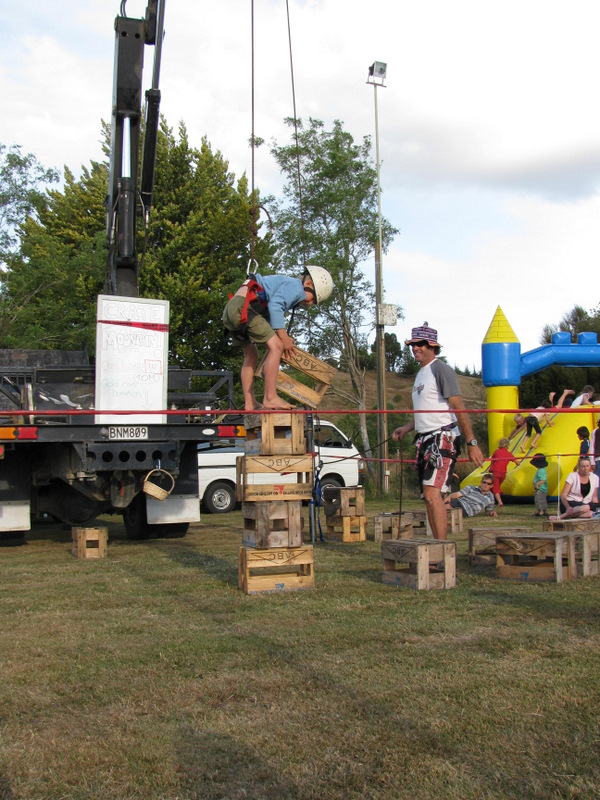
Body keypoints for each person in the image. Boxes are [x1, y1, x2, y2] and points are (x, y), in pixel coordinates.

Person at [391, 322, 484, 540]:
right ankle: (436, 545)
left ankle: (442, 549)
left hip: (443, 438)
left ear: (433, 346)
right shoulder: (420, 374)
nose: (416, 348)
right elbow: (425, 411)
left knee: (433, 494)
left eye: (421, 344)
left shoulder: (441, 370)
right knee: (427, 497)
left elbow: (458, 407)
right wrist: (406, 428)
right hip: (425, 439)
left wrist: (471, 443)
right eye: (413, 344)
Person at [222, 266, 333, 411]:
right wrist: (283, 338)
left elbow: (267, 315)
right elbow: (275, 306)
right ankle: (270, 398)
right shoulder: (296, 287)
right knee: (277, 347)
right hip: (245, 308)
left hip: (233, 309)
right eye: (314, 299)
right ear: (308, 284)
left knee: (251, 356)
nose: (310, 304)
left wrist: (279, 338)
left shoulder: (284, 286)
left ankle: (250, 403)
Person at [551, 456, 599, 520]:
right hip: (569, 503)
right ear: (579, 467)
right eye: (583, 466)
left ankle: (569, 515)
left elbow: (594, 497)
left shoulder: (595, 478)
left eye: (587, 466)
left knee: (591, 513)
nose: (585, 469)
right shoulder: (572, 476)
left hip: (584, 504)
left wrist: (596, 507)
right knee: (586, 508)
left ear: (590, 467)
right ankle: (561, 517)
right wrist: (568, 507)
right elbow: (563, 495)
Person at [489, 437, 520, 506]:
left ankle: (499, 501)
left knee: (495, 487)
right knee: (494, 487)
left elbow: (492, 461)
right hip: (503, 473)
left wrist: (491, 469)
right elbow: (517, 462)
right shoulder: (508, 454)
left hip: (496, 472)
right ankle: (491, 500)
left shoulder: (496, 452)